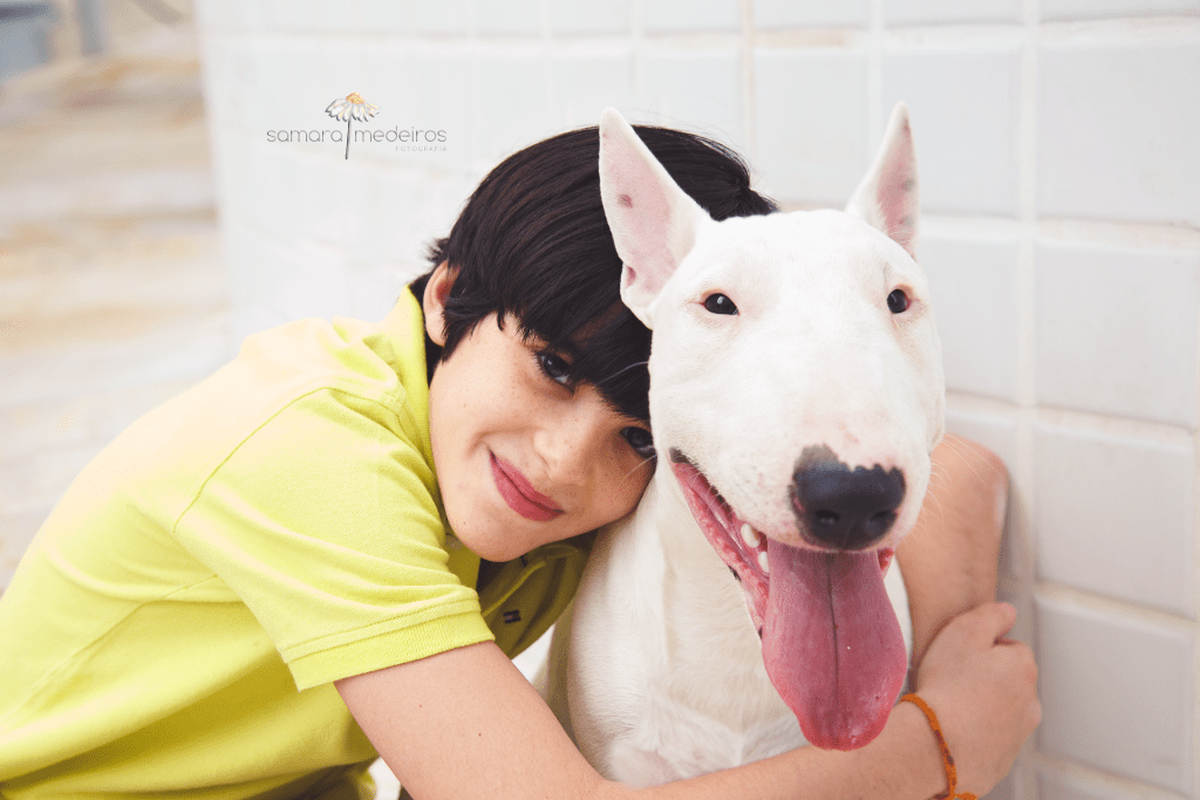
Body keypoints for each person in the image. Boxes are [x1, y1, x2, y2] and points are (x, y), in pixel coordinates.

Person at [0, 122, 1039, 800]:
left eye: (633, 431)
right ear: (448, 296)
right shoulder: (307, 451)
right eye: (548, 368)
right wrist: (941, 740)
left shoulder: (587, 481)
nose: (561, 461)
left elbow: (970, 471)